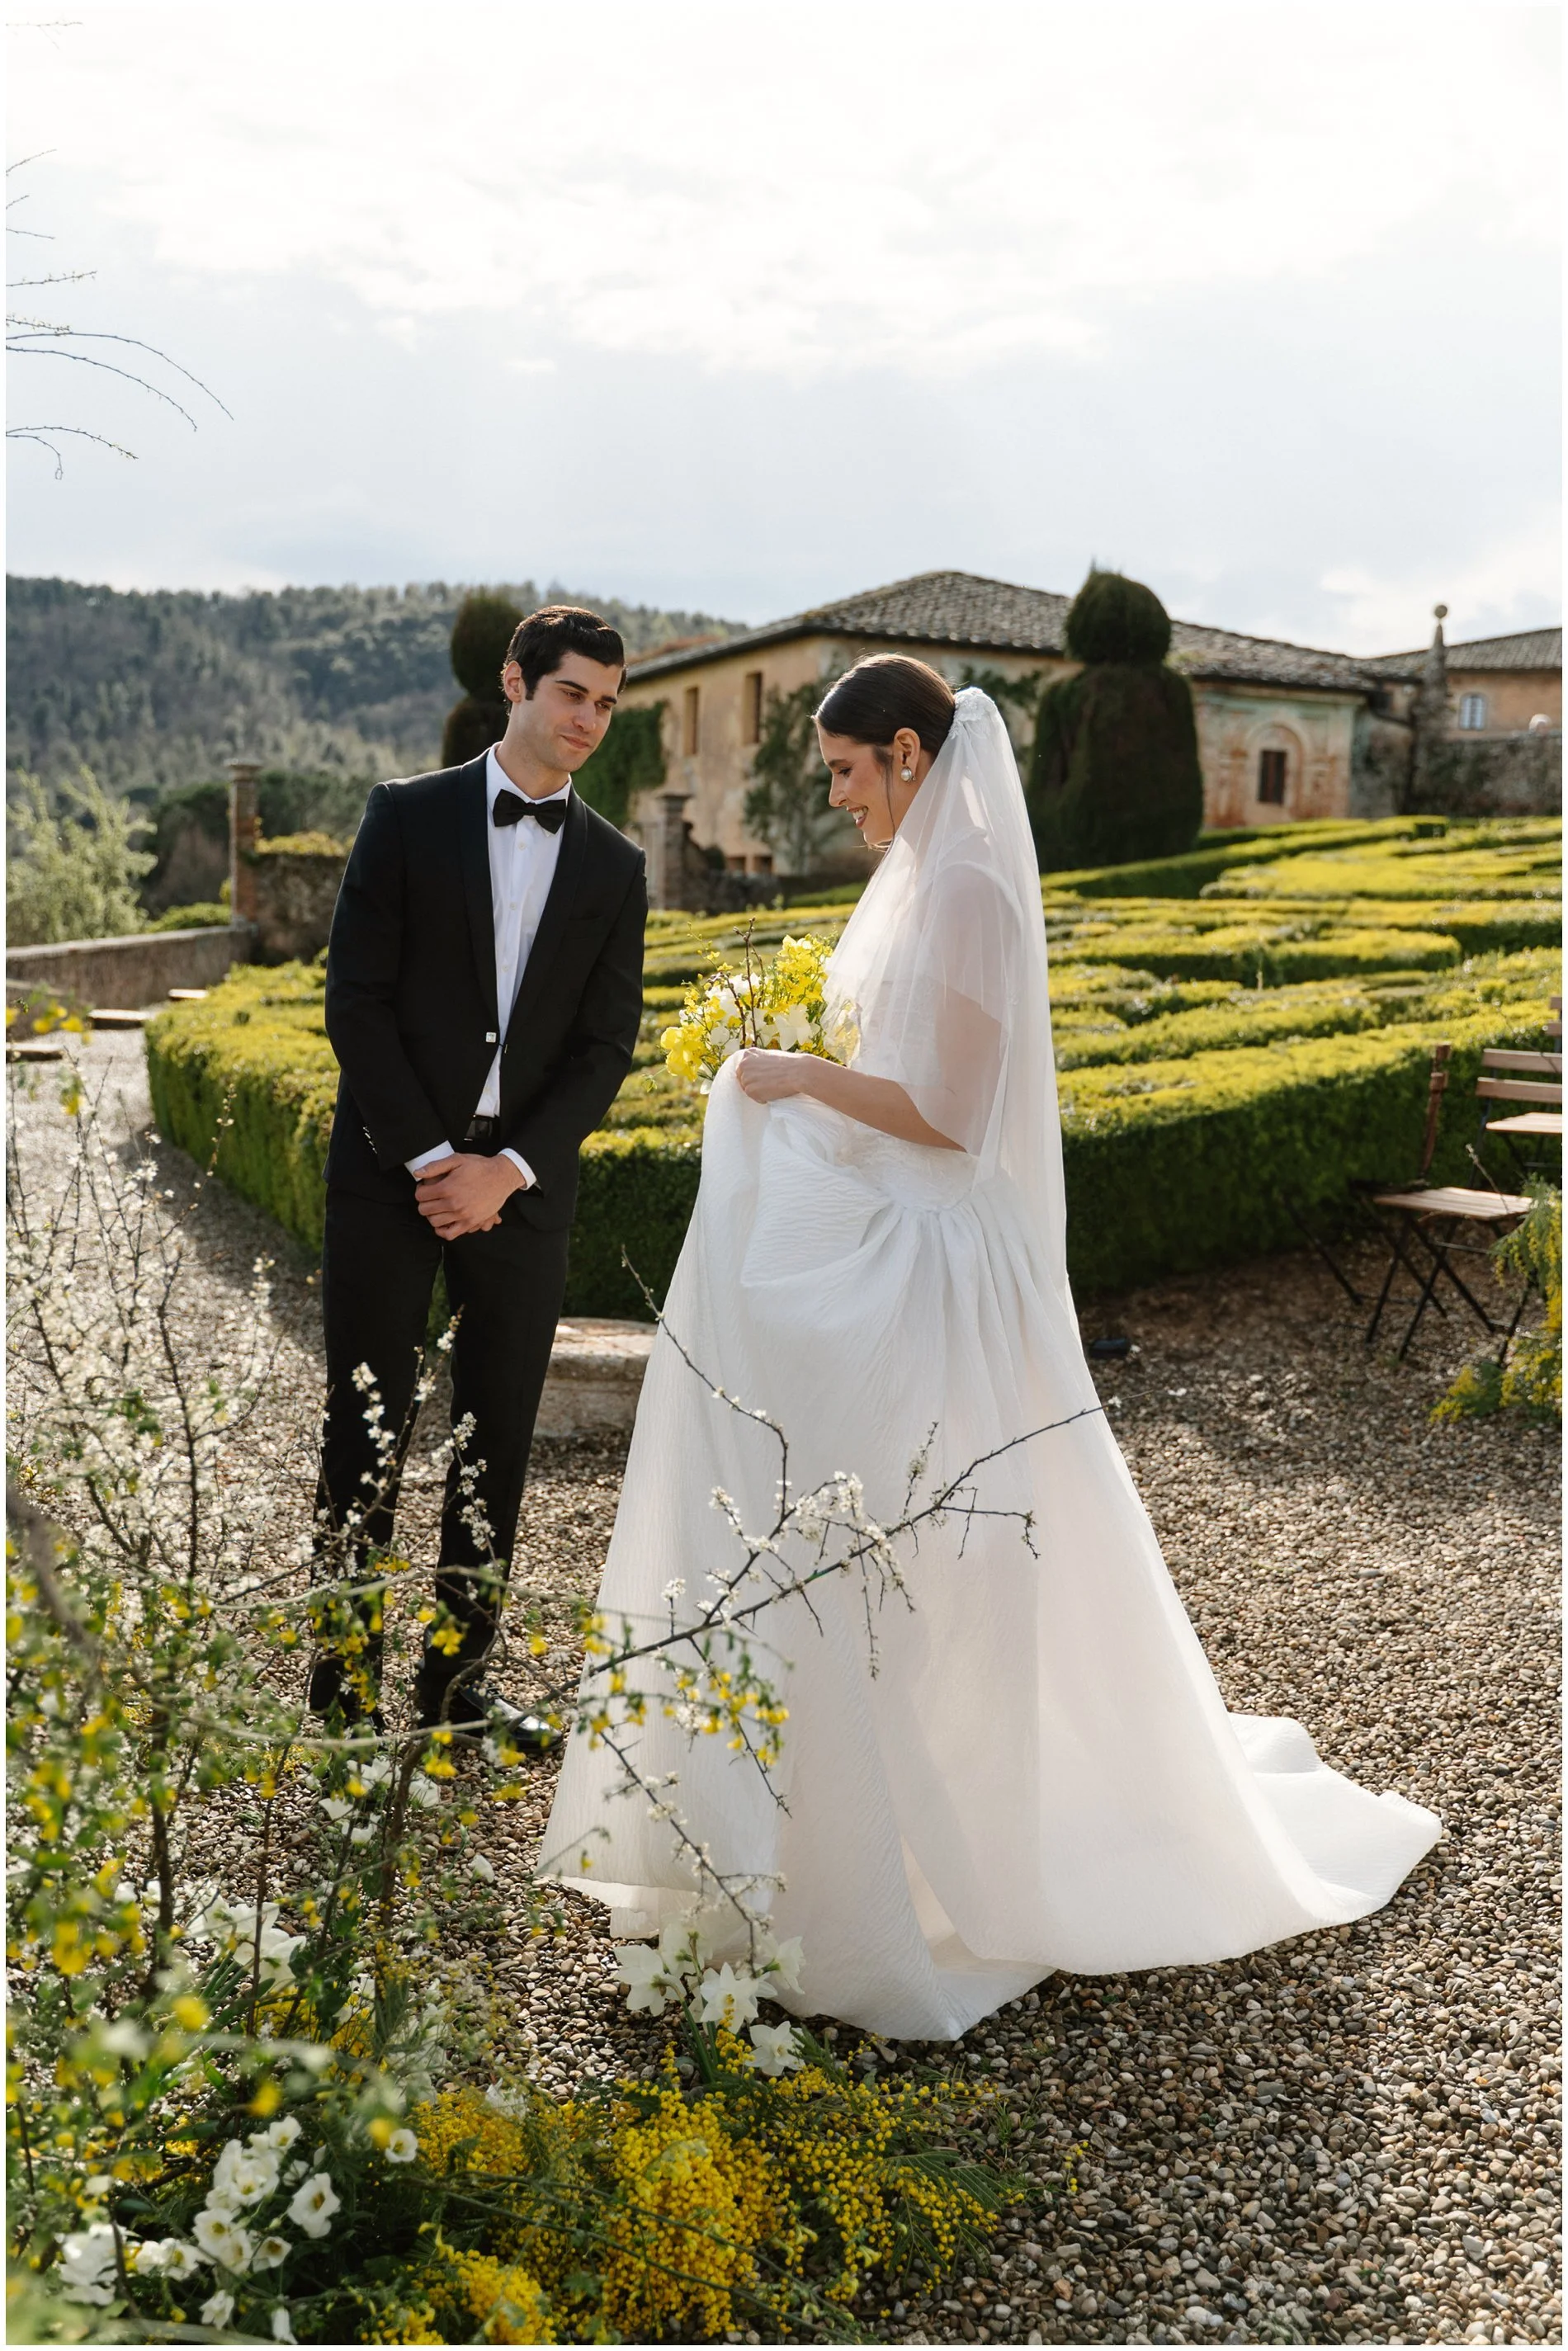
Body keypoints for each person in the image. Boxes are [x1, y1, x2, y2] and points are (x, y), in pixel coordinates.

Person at [541, 656, 1440, 2042]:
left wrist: (784, 1073)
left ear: (908, 754)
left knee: (922, 1552)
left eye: (846, 771)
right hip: (883, 1234)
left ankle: (924, 1842)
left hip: (932, 1264)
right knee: (865, 1545)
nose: (835, 797)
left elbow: (953, 1114)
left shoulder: (961, 886)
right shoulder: (919, 876)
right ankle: (845, 1823)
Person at [310, 604, 646, 1744]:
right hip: (384, 1178)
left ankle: (455, 1691)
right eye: (572, 694)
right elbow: (353, 998)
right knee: (366, 1434)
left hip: (523, 1197)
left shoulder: (617, 866)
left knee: (495, 1443)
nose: (589, 720)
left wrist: (505, 1171)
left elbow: (607, 1046)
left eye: (606, 701)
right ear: (518, 682)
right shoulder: (405, 818)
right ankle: (344, 1699)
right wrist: (429, 1160)